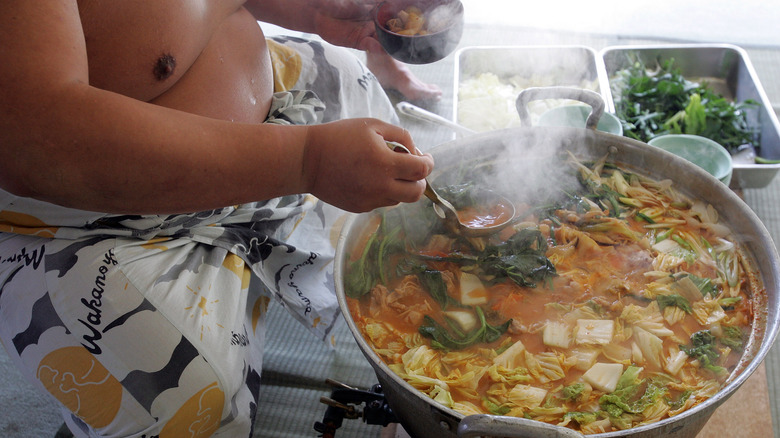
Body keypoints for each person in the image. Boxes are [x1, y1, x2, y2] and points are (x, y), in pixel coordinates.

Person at [0, 1, 436, 437]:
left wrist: (312, 10)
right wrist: (307, 160)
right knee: (193, 398)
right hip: (85, 209)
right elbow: (35, 143)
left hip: (269, 124)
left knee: (355, 90)